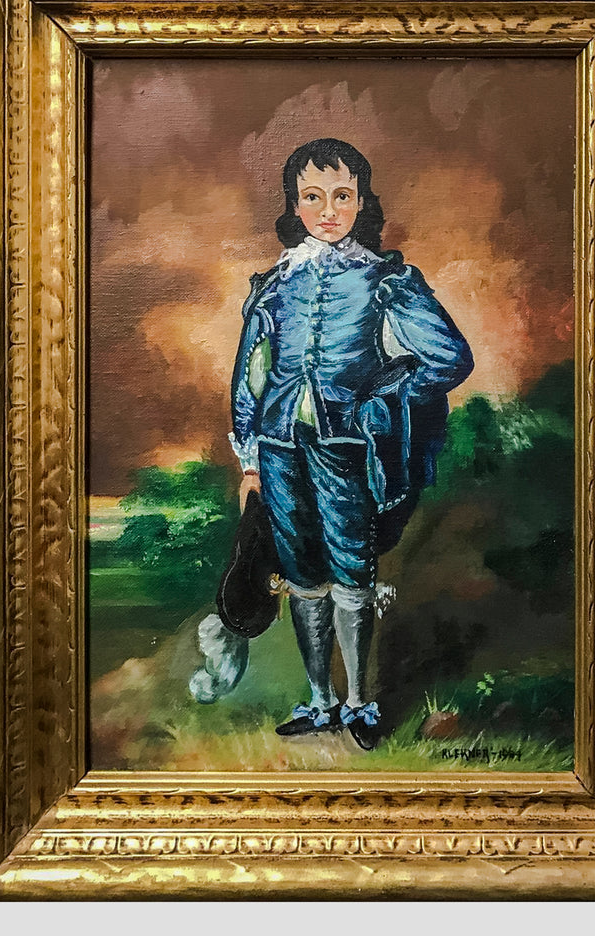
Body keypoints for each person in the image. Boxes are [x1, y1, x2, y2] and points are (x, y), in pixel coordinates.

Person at [229, 138, 473, 750]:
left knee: (351, 567)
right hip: (280, 446)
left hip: (348, 447)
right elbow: (251, 374)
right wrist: (250, 459)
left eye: (342, 195)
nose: (328, 210)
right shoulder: (276, 283)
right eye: (312, 197)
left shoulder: (383, 279)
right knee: (300, 571)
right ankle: (319, 701)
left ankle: (359, 703)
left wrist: (381, 399)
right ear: (295, 205)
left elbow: (449, 358)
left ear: (362, 201)